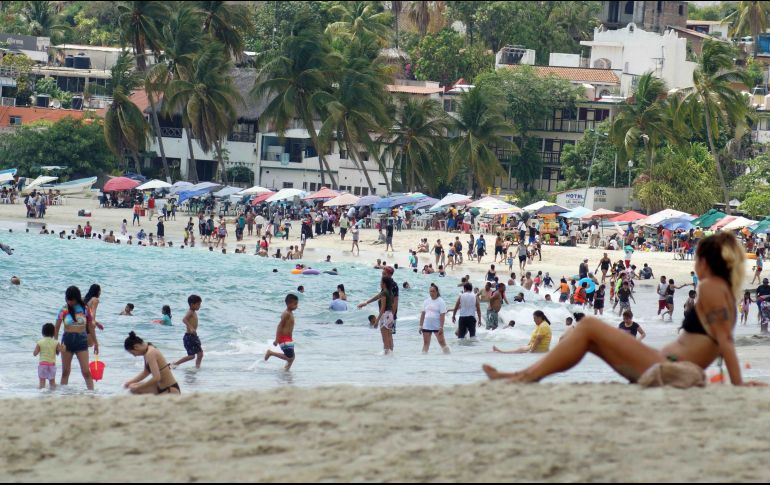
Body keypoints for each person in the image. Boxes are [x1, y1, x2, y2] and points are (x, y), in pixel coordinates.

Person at [483, 233, 766, 387]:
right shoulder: (722, 290)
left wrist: (738, 386)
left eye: (696, 257)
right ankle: (527, 375)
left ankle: (525, 376)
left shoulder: (711, 287)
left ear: (705, 261)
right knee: (586, 333)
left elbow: (724, 342)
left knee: (590, 327)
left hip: (665, 367)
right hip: (660, 363)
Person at [54, 286, 97, 390]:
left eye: (71, 300)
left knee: (86, 372)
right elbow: (57, 327)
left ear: (77, 298)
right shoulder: (63, 309)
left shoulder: (85, 309)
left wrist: (96, 343)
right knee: (65, 372)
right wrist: (56, 343)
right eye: (67, 299)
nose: (69, 302)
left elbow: (90, 326)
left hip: (81, 341)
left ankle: (92, 394)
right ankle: (63, 395)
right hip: (67, 342)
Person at [358, 277, 396, 354]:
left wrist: (377, 321)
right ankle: (391, 355)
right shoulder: (390, 292)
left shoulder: (384, 293)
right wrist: (366, 303)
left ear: (384, 284)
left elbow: (382, 308)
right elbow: (376, 297)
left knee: (385, 339)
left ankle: (386, 356)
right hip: (390, 315)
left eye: (381, 282)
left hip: (385, 316)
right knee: (389, 337)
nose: (380, 284)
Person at [264, 294, 299, 370]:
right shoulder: (286, 314)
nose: (297, 306)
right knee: (290, 358)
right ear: (289, 304)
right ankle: (270, 353)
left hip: (288, 339)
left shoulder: (290, 313)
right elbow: (279, 326)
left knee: (292, 357)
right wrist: (277, 339)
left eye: (297, 304)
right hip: (284, 339)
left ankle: (286, 371)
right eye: (295, 304)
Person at [173, 295, 204, 369]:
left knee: (200, 354)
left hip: (193, 337)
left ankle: (197, 368)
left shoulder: (193, 312)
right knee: (192, 356)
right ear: (192, 304)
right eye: (198, 304)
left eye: (199, 304)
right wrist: (191, 328)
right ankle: (175, 364)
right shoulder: (190, 312)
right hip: (189, 337)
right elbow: (184, 319)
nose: (199, 306)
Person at [420, 284, 450, 354]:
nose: (431, 293)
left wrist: (441, 327)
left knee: (442, 343)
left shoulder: (441, 301)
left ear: (437, 292)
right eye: (430, 291)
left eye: (433, 291)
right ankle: (423, 360)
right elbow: (423, 313)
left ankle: (449, 357)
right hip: (427, 325)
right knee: (426, 343)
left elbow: (442, 315)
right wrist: (420, 325)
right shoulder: (426, 301)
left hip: (437, 326)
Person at [34, 323, 61, 390]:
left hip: (42, 365)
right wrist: (64, 348)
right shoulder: (56, 342)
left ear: (43, 332)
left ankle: (42, 393)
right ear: (53, 332)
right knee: (52, 382)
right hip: (52, 365)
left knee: (42, 382)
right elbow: (59, 350)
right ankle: (52, 395)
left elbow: (35, 353)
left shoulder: (40, 342)